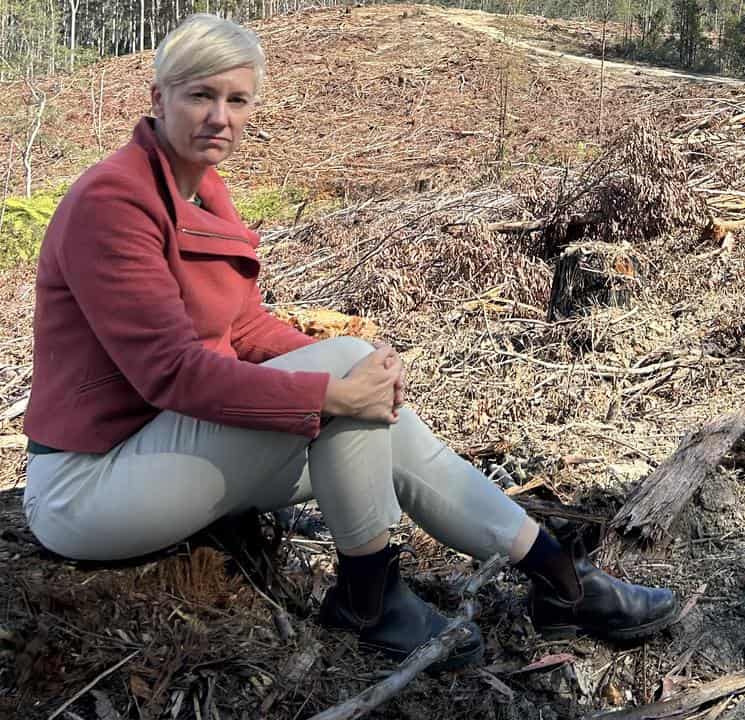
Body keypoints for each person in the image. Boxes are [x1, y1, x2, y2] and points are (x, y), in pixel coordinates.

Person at [20, 14, 677, 669]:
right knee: (344, 380)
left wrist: (363, 376)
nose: (219, 115)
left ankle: (556, 578)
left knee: (377, 413)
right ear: (158, 97)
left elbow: (246, 330)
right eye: (199, 95)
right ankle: (372, 599)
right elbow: (169, 373)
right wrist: (333, 385)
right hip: (90, 486)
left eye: (236, 99)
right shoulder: (115, 199)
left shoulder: (205, 192)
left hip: (164, 447)